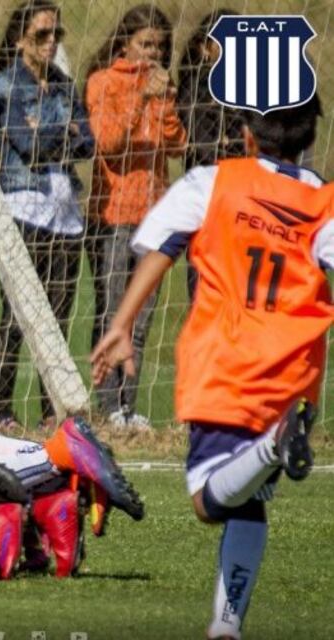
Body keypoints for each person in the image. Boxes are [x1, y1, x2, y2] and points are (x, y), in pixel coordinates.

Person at [91, 96, 331, 639]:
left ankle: (273, 446)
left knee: (206, 502)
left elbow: (160, 248)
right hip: (293, 377)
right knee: (247, 502)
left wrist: (122, 325)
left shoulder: (212, 182)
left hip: (225, 367)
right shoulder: (323, 201)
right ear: (309, 139)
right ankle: (226, 627)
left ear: (247, 135)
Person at [0, 0, 94, 431]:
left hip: (65, 213)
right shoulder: (4, 86)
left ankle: (52, 407)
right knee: (16, 316)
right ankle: (1, 411)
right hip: (25, 209)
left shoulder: (66, 86)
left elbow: (88, 144)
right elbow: (23, 144)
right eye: (40, 35)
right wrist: (61, 132)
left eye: (56, 35)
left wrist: (51, 132)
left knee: (59, 314)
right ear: (19, 41)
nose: (51, 43)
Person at [84, 5, 186, 429]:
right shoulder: (103, 83)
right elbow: (107, 143)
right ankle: (107, 408)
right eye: (145, 44)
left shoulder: (161, 88)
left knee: (142, 320)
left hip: (154, 216)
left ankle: (129, 405)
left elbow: (177, 145)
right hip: (113, 216)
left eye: (159, 47)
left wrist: (163, 103)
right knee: (114, 312)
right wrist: (139, 99)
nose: (152, 54)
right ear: (125, 43)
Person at [176, 9, 245, 299]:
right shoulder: (198, 87)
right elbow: (207, 147)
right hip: (210, 204)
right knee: (208, 292)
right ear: (205, 47)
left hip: (240, 202)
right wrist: (234, 146)